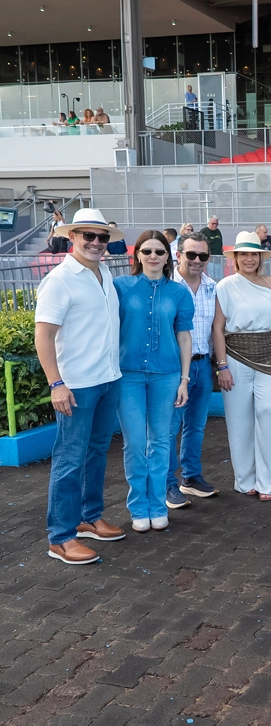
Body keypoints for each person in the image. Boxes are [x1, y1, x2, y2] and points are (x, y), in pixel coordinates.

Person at [35, 210, 126, 564]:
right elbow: (43, 335)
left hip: (107, 379)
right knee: (69, 459)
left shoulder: (104, 272)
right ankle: (60, 537)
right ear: (72, 237)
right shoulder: (60, 279)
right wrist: (56, 384)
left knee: (97, 452)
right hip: (76, 385)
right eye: (87, 236)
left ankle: (89, 517)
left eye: (102, 237)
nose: (96, 243)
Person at [114, 231, 193, 533]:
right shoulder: (121, 287)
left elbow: (185, 336)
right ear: (136, 255)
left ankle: (158, 505)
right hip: (128, 375)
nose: (153, 256)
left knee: (160, 442)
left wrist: (184, 379)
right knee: (135, 443)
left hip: (167, 375)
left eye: (159, 251)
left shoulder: (178, 293)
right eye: (146, 251)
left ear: (168, 256)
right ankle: (139, 507)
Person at [212, 232, 271, 501]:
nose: (249, 258)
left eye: (254, 254)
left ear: (261, 257)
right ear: (236, 258)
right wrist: (222, 366)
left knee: (268, 411)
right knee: (239, 421)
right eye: (244, 254)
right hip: (236, 357)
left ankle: (268, 481)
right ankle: (245, 480)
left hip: (268, 356)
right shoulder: (226, 285)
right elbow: (218, 328)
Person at [167, 231, 219, 510]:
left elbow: (216, 329)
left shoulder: (212, 286)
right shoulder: (167, 286)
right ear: (179, 254)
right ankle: (168, 484)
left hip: (203, 363)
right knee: (169, 428)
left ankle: (191, 477)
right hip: (175, 369)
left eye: (203, 255)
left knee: (196, 426)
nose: (197, 260)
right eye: (191, 254)